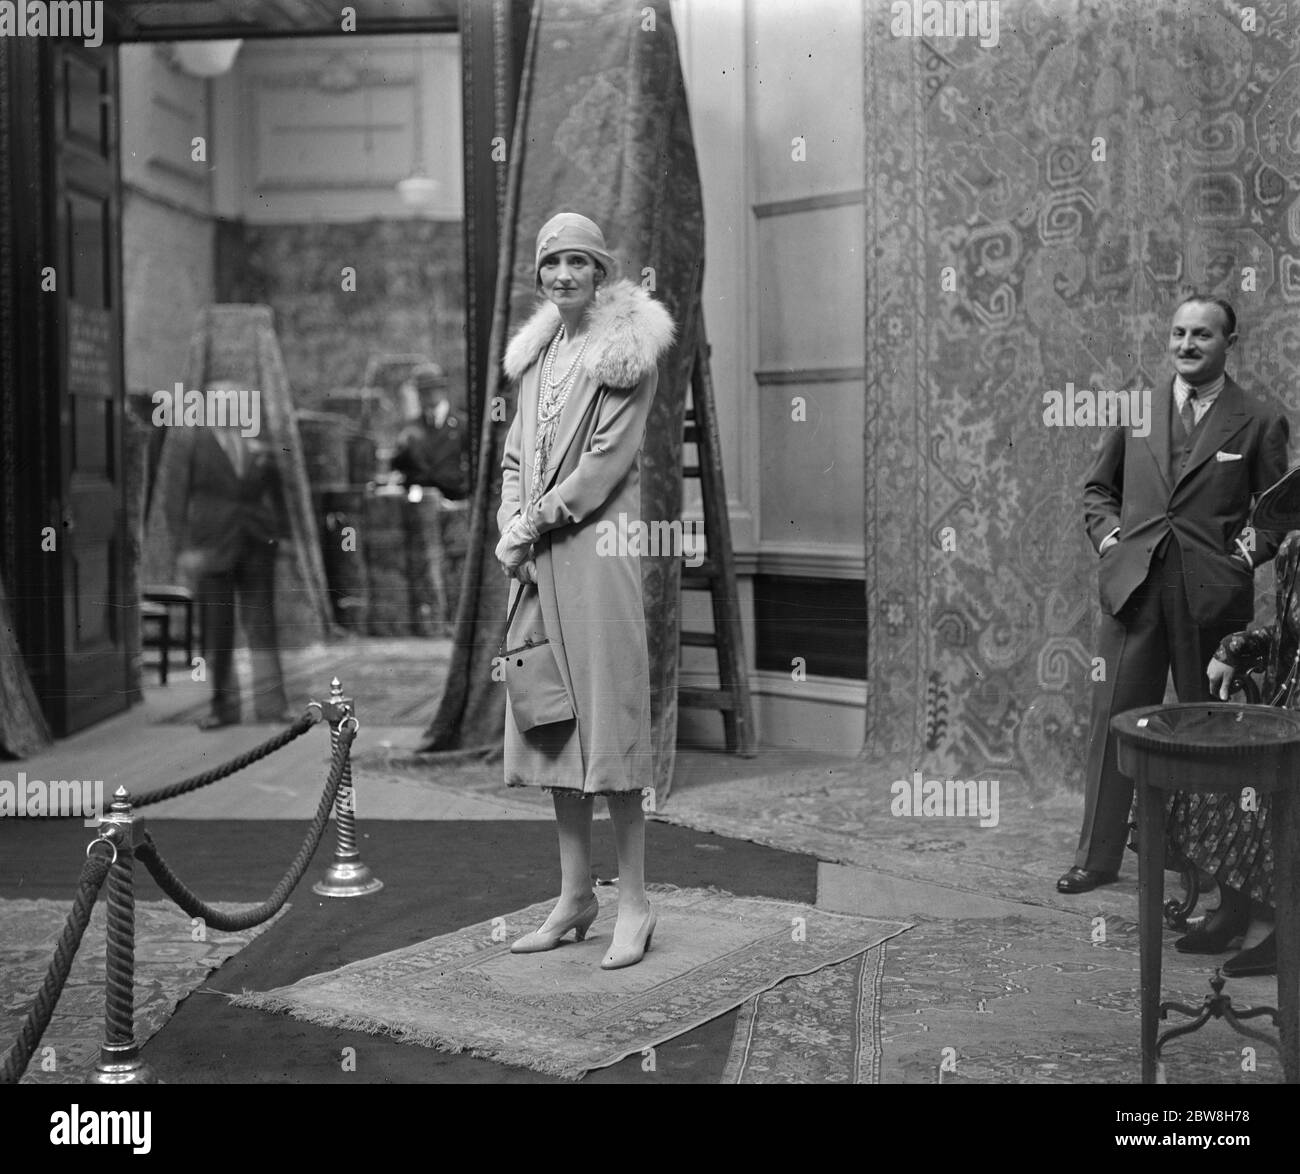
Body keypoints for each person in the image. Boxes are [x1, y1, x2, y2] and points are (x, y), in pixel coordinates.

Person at [1058, 296, 1290, 894]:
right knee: (1113, 721)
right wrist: (1112, 543)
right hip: (1134, 589)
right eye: (1179, 333)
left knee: (1204, 731)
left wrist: (1242, 555)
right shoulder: (1135, 410)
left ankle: (1210, 869)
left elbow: (1275, 512)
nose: (1187, 345)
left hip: (1209, 596)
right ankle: (1098, 856)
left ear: (1229, 343)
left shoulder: (1260, 419)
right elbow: (1095, 489)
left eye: (1203, 336)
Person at [496, 211, 674, 970]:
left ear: (601, 271)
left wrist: (528, 524)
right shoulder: (537, 359)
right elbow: (514, 454)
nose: (563, 275)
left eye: (578, 262)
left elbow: (602, 467)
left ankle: (634, 901)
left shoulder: (626, 356)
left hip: (594, 556)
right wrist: (510, 517)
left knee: (611, 729)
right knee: (553, 724)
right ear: (539, 277)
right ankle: (576, 897)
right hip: (536, 560)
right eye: (550, 265)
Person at [1172, 477, 1300, 976]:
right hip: (1284, 715)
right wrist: (1235, 648)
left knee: (1271, 787)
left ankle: (1290, 935)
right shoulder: (1294, 551)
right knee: (1211, 781)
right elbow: (1287, 636)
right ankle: (1231, 910)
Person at [166, 393, 293, 729]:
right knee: (217, 631)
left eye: (233, 406)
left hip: (256, 544)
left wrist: (282, 536)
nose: (228, 412)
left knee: (262, 628)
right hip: (212, 548)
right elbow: (174, 496)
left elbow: (278, 494)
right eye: (221, 406)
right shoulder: (193, 444)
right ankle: (222, 708)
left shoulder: (256, 443)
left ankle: (273, 707)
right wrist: (184, 548)